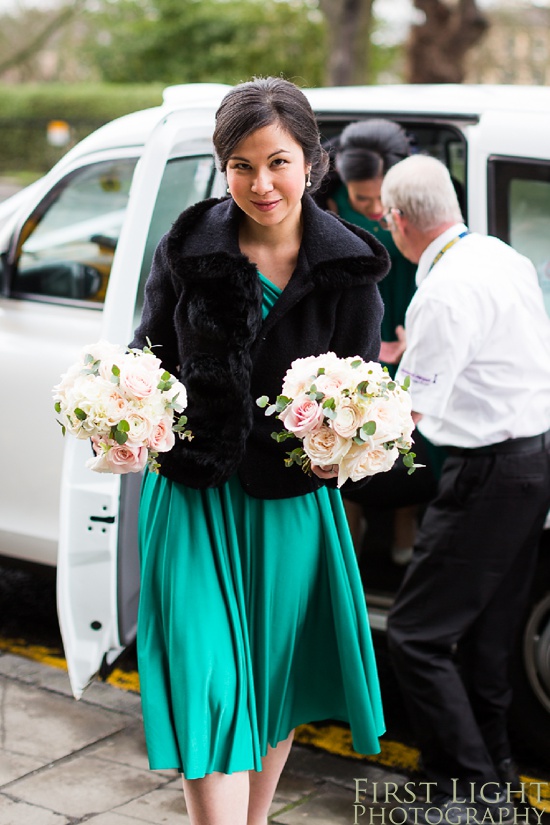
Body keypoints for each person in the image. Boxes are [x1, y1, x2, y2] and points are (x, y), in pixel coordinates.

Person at [130, 77, 388, 825]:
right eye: (240, 165)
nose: (260, 183)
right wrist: (127, 419)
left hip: (290, 508)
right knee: (207, 682)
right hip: (193, 501)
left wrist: (346, 453)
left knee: (268, 687)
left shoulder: (354, 270)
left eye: (276, 161)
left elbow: (365, 398)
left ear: (312, 162)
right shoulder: (187, 247)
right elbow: (145, 356)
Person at [380, 154, 550, 824]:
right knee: (486, 634)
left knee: (416, 635)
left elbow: (406, 418)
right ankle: (497, 774)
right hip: (533, 459)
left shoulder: (442, 293)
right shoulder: (500, 257)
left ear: (396, 221)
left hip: (487, 472)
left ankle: (475, 794)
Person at [316, 120, 438, 565]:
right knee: (347, 427)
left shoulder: (421, 203)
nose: (370, 209)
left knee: (409, 431)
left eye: (380, 200)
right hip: (356, 321)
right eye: (359, 199)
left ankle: (407, 519)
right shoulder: (326, 204)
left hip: (412, 309)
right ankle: (352, 530)